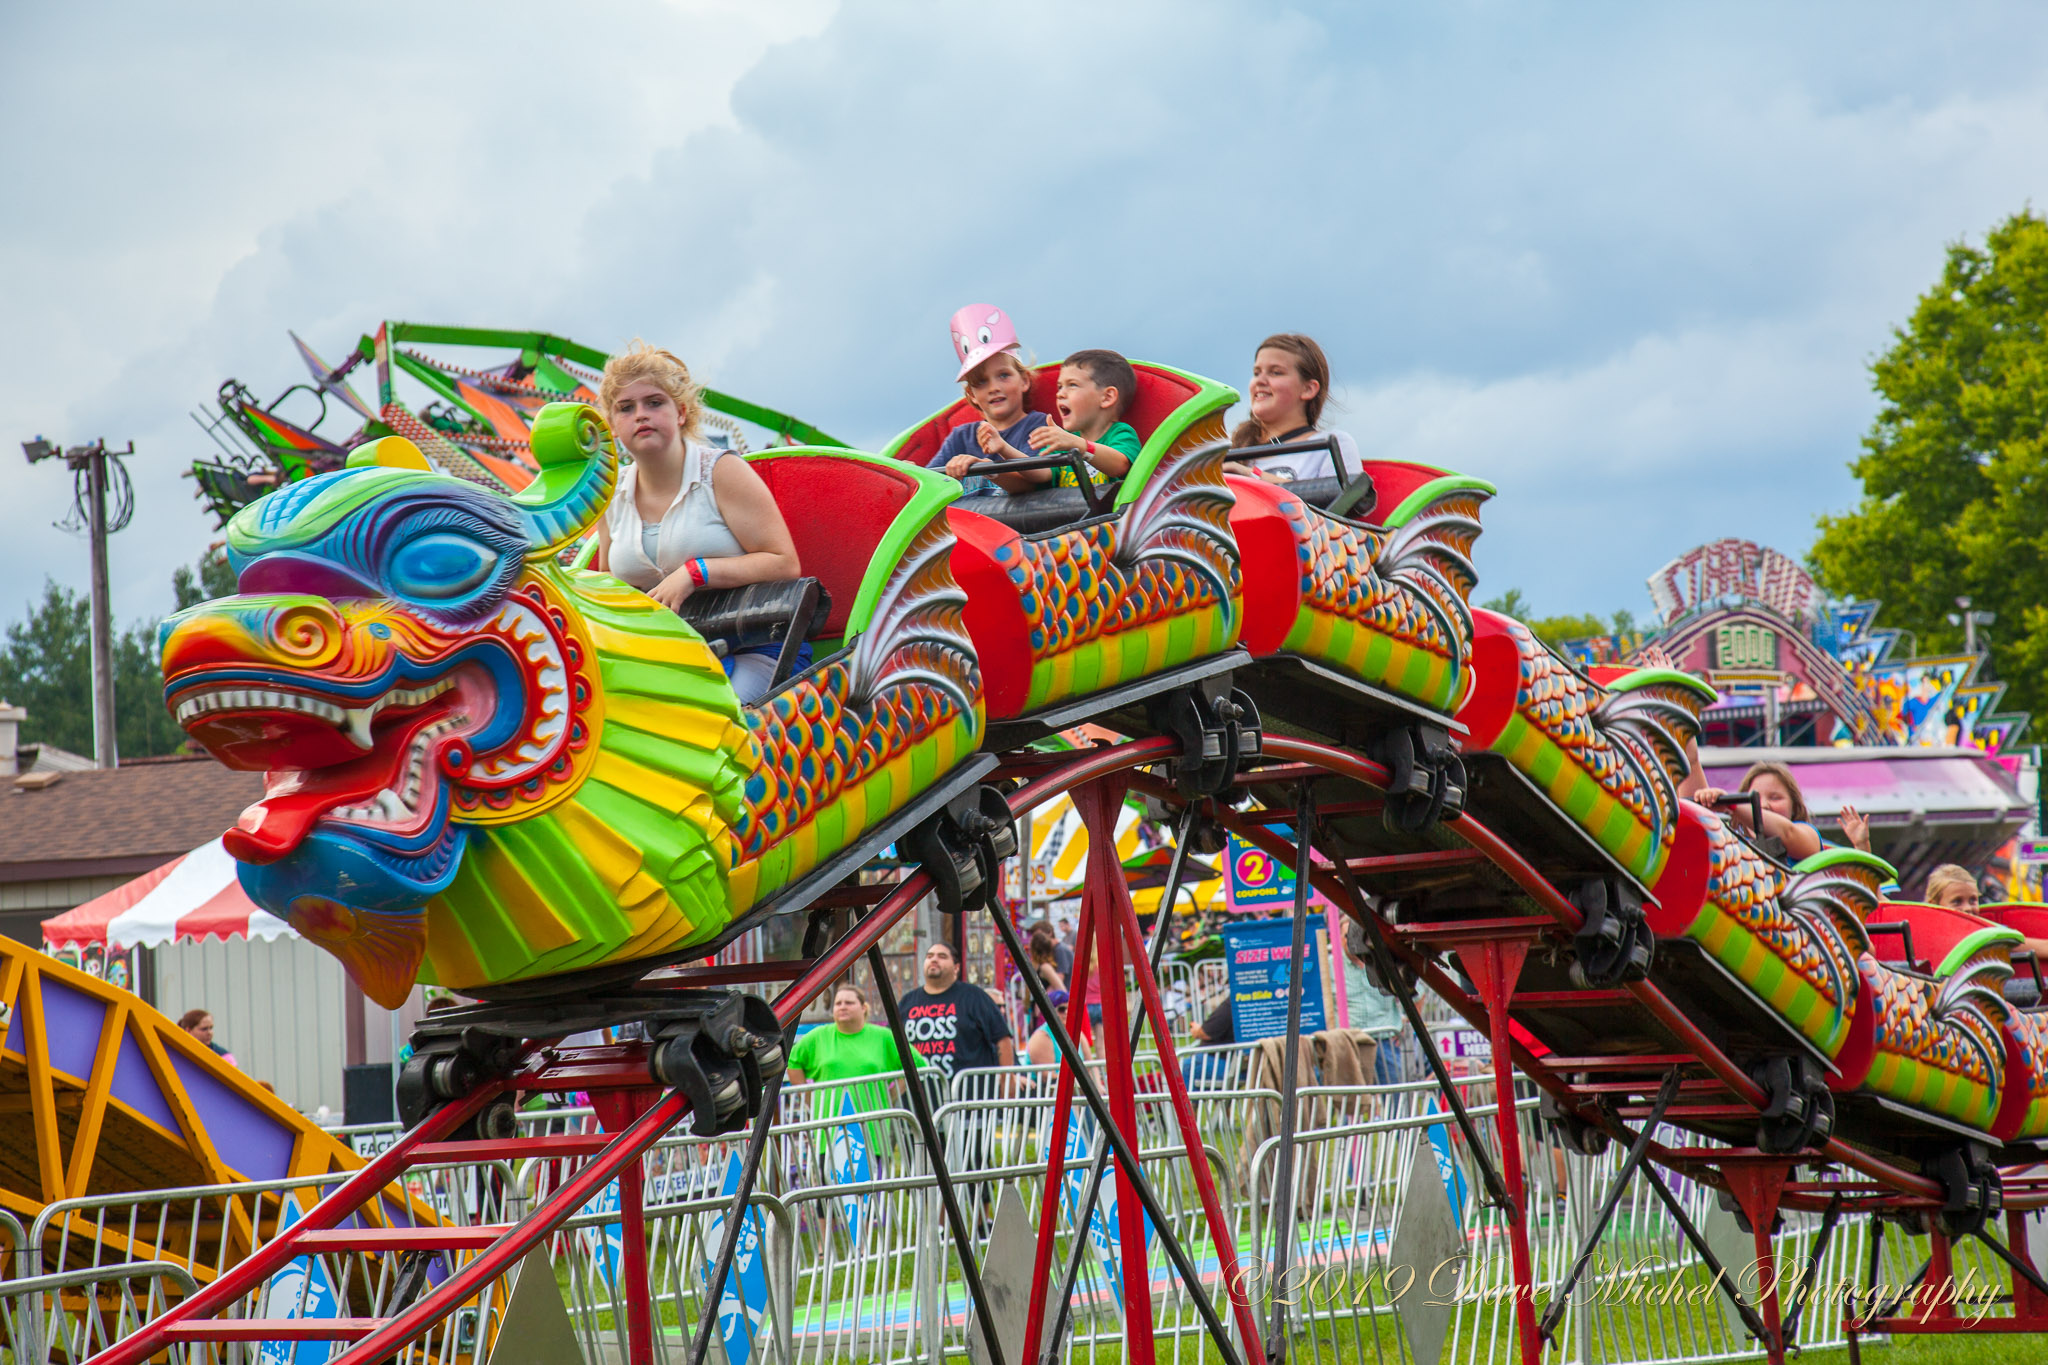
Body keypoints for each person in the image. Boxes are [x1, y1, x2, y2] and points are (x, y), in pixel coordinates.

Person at [591, 340, 804, 703]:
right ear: (612, 424)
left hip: (749, 646)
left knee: (709, 716)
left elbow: (784, 563)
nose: (640, 415)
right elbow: (609, 585)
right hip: (665, 658)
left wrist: (696, 573)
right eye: (626, 408)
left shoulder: (721, 471)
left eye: (654, 403)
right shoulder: (611, 495)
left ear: (681, 413)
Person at [929, 305, 1052, 497]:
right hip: (964, 515)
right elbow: (929, 485)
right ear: (971, 394)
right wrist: (910, 474)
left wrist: (985, 468)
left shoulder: (1038, 426)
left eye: (1003, 375)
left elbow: (1034, 484)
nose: (994, 388)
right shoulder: (960, 438)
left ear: (1024, 380)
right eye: (981, 382)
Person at [1223, 334, 1359, 484]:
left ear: (1308, 389)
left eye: (1276, 372)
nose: (1259, 381)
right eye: (1256, 373)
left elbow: (1339, 498)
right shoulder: (1228, 450)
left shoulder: (1332, 445)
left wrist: (1249, 474)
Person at [787, 982, 923, 1115]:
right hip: (829, 1124)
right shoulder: (818, 1036)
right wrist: (810, 1100)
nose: (842, 1007)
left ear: (863, 1008)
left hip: (873, 1123)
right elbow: (792, 1061)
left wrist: (891, 1096)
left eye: (849, 1003)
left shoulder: (884, 1036)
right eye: (838, 1003)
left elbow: (918, 1064)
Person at [1014, 350, 1142, 489]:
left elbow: (1119, 465)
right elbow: (1039, 474)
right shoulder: (1063, 442)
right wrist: (1003, 448)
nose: (1059, 394)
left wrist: (1079, 445)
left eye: (1072, 385)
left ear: (1107, 397)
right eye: (1059, 387)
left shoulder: (1120, 433)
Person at [897, 940, 1015, 1080]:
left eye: (942, 956)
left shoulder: (974, 997)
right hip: (922, 1091)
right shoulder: (907, 1002)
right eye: (929, 956)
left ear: (956, 968)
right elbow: (892, 1045)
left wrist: (1007, 1080)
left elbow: (1002, 1039)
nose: (934, 960)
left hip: (968, 1091)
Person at [1692, 761, 1822, 862]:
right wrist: (1692, 761)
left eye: (1775, 798)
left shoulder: (1807, 834)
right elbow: (1695, 827)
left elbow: (1788, 833)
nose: (1763, 805)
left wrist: (1731, 806)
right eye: (1755, 799)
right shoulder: (1732, 843)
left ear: (1794, 807)